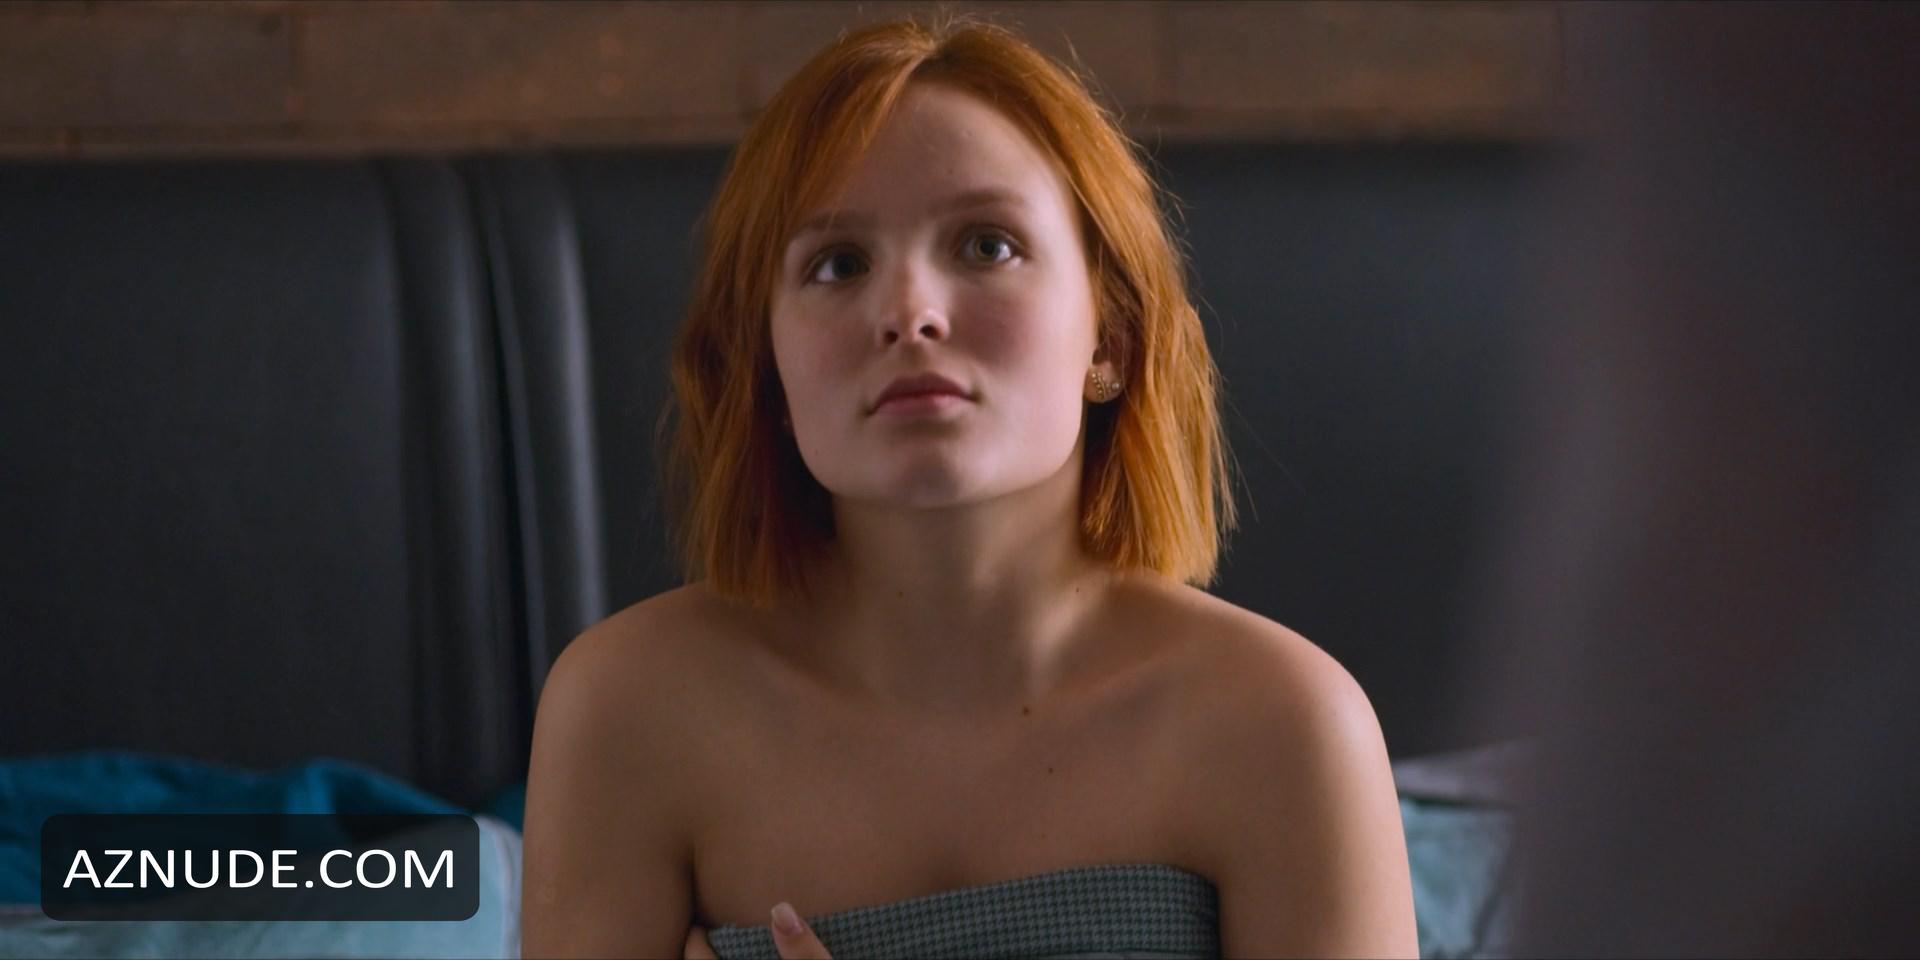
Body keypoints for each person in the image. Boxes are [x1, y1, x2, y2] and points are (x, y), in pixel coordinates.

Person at [520, 14, 1416, 960]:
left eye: (987, 246)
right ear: (767, 370)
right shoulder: (631, 714)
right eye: (837, 264)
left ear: (1110, 338)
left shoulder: (1284, 727)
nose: (910, 313)